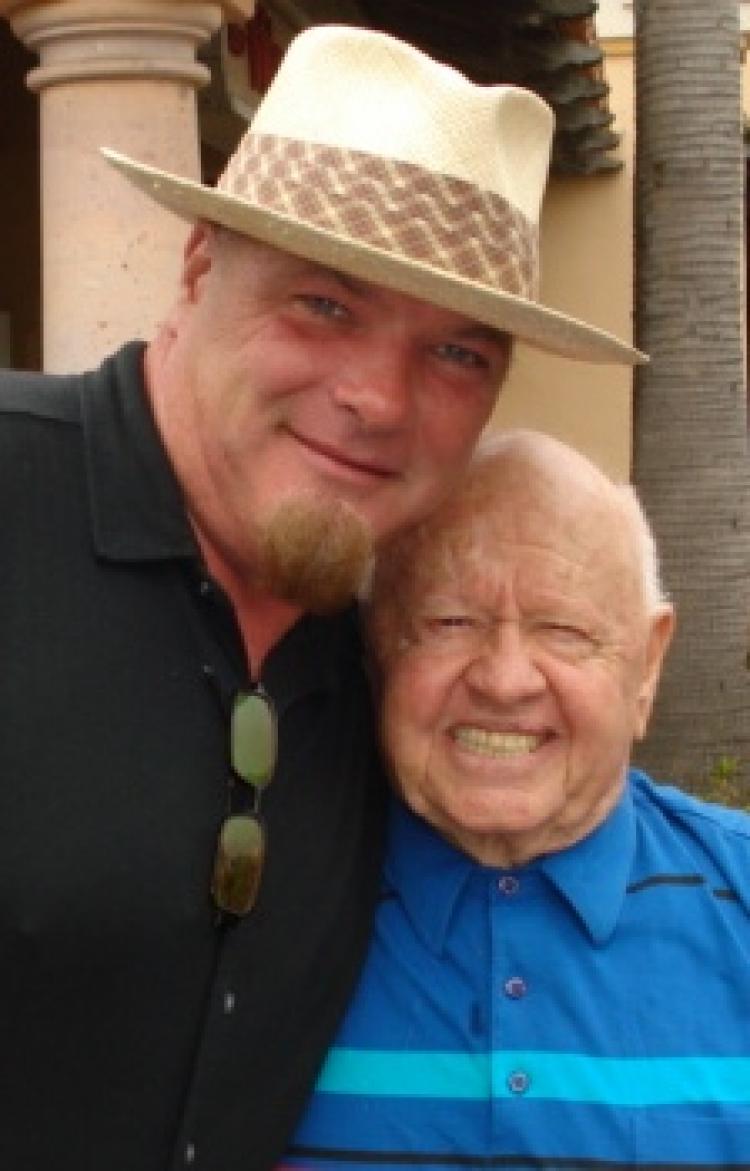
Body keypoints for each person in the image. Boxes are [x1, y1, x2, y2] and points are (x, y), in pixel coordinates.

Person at [0, 23, 642, 1171]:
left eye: (457, 354)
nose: (379, 399)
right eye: (324, 306)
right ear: (197, 266)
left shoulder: (389, 657)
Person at [282, 430, 750, 1170]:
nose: (504, 680)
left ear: (649, 662)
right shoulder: (259, 907)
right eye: (449, 622)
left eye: (563, 631)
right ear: (375, 647)